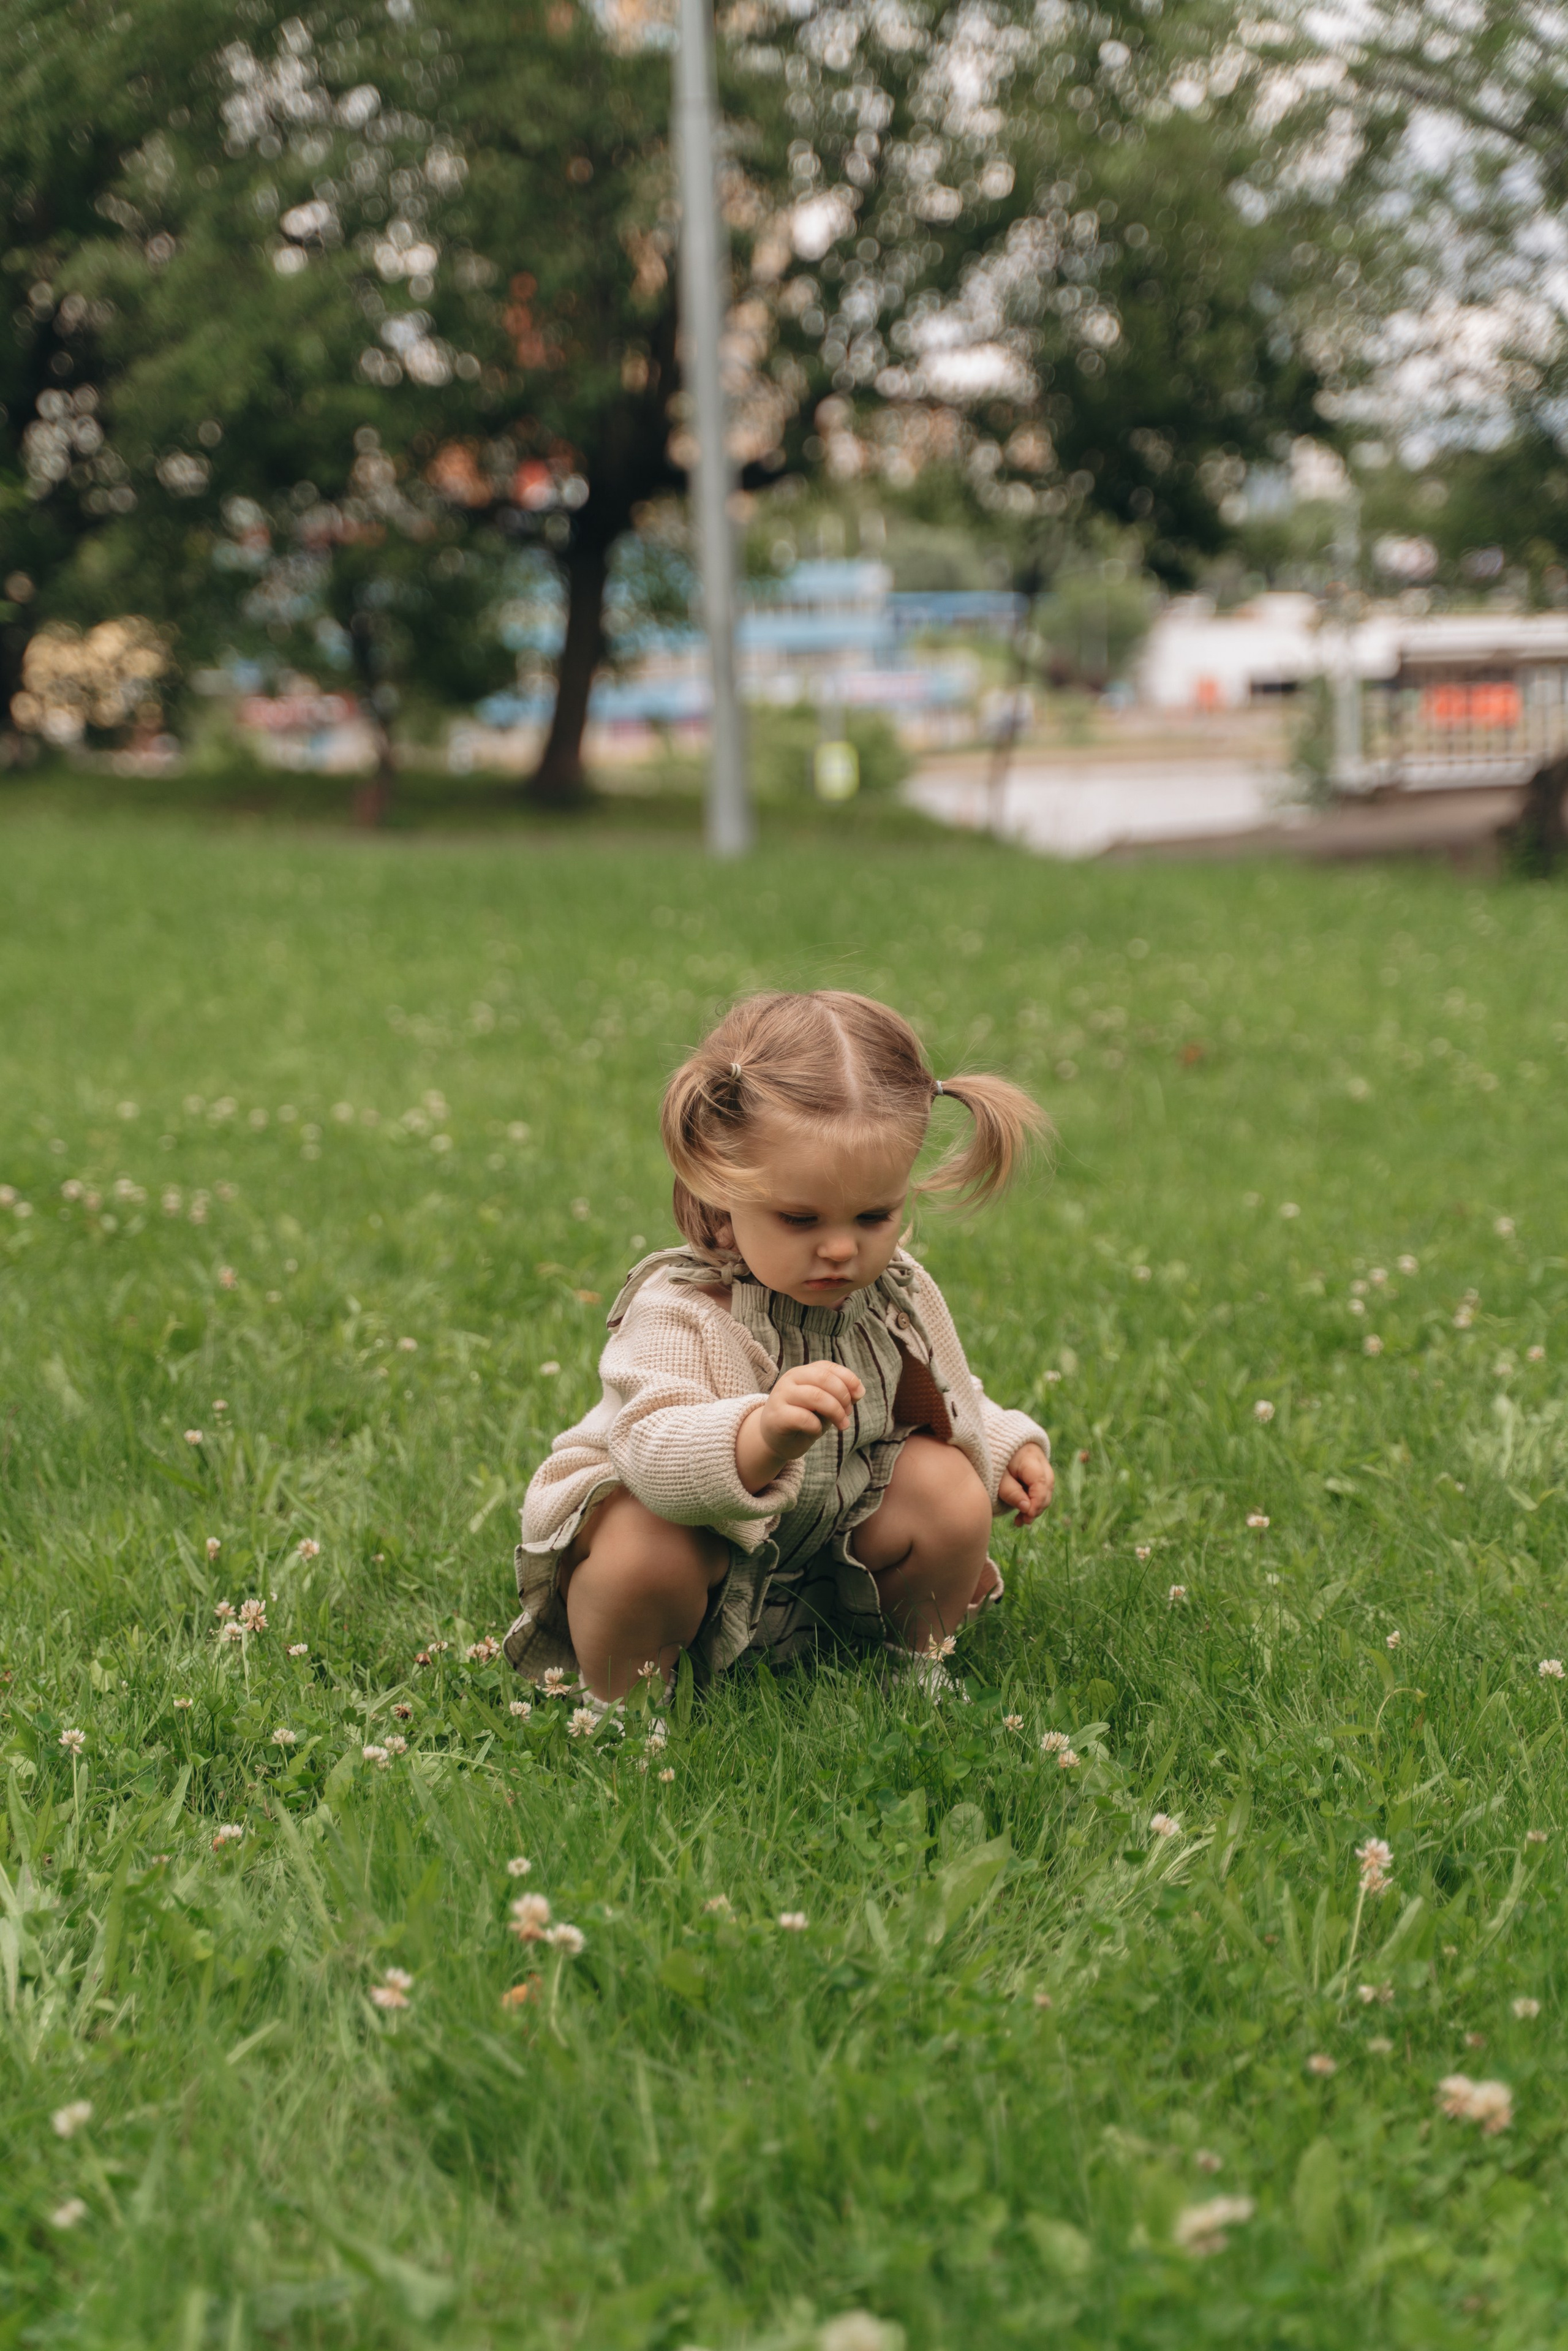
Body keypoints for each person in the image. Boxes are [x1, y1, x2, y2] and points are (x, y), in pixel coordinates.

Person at [505, 989, 1054, 1702]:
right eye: (798, 1217)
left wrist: (1007, 1443)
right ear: (719, 1186)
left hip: (812, 1562)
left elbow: (942, 1390)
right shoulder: (683, 1310)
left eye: (874, 1214)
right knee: (641, 1548)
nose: (840, 1248)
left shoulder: (888, 1291)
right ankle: (623, 1705)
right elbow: (653, 1449)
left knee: (948, 1489)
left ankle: (911, 1665)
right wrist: (758, 1433)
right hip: (699, 1556)